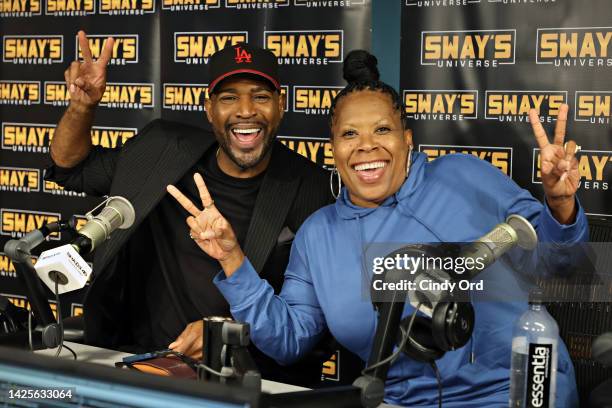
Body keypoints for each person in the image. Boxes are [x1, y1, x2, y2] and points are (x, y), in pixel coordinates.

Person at [167, 50, 587, 406]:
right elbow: (288, 340)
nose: (366, 145)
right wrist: (232, 258)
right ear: (334, 150)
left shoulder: (463, 176)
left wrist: (559, 204)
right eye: (350, 134)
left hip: (514, 391)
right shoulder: (319, 234)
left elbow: (557, 268)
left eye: (382, 130)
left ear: (407, 138)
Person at [45, 31, 335, 383]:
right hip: (138, 364)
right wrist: (82, 107)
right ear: (209, 109)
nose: (246, 111)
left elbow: (314, 327)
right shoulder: (160, 150)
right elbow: (71, 167)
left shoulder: (313, 188)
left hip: (243, 381)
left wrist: (229, 331)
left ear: (280, 105)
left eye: (260, 97)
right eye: (229, 98)